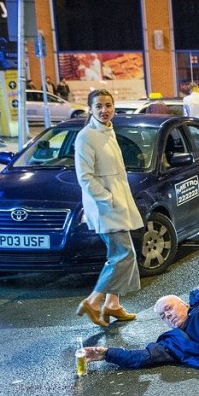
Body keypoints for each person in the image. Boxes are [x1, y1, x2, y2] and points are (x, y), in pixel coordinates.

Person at [74, 89, 144, 328]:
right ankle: (93, 301)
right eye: (99, 106)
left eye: (108, 105)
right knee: (122, 255)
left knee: (124, 255)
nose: (104, 110)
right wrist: (107, 198)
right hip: (104, 206)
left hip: (116, 202)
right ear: (90, 109)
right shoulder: (86, 136)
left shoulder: (108, 131)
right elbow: (85, 177)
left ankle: (112, 304)